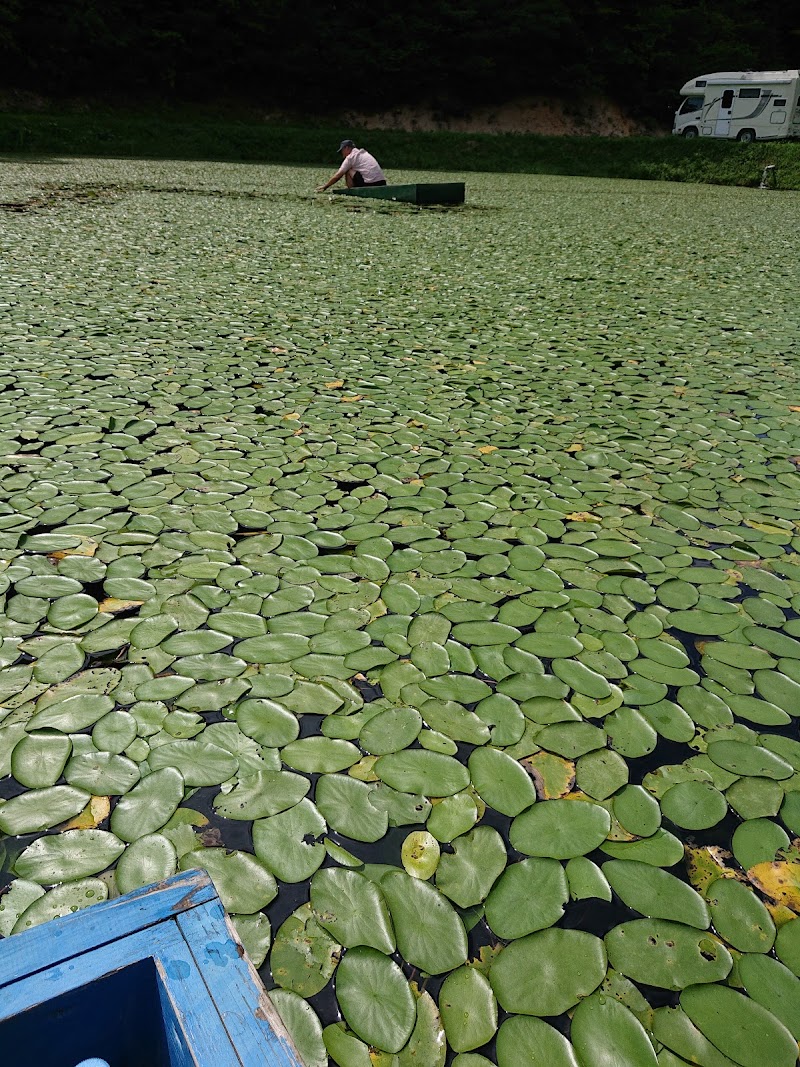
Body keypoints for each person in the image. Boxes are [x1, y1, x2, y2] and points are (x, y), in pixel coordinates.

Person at [316, 140, 387, 192]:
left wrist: (325, 186)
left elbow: (338, 175)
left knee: (348, 170)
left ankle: (351, 190)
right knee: (352, 169)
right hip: (382, 183)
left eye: (342, 151)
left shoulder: (350, 157)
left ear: (346, 148)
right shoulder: (363, 153)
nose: (342, 154)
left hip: (370, 185)